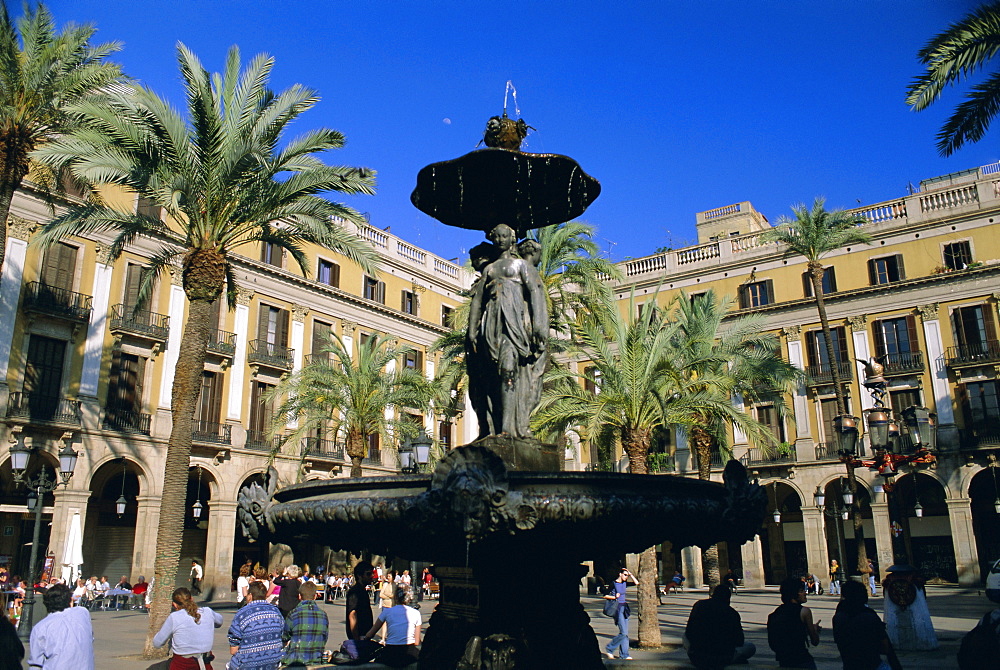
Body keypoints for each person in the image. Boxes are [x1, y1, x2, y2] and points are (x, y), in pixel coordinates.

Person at [465, 223, 549, 438]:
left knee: (508, 370)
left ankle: (508, 428)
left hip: (514, 323)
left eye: (504, 236)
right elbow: (477, 301)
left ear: (512, 239)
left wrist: (539, 325)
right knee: (492, 374)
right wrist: (472, 330)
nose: (500, 240)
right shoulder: (489, 269)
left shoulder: (521, 265)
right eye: (497, 236)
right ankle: (494, 426)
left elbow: (536, 292)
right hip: (492, 323)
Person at [833, 580, 901, 670]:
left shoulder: (838, 618)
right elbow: (885, 647)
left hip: (850, 665)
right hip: (872, 664)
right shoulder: (869, 616)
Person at [684, 584, 756, 669]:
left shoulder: (699, 605)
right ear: (728, 598)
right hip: (722, 656)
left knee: (684, 636)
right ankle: (733, 658)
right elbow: (739, 640)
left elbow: (688, 631)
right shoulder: (732, 613)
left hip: (696, 654)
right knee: (750, 647)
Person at [152, 587, 223, 670]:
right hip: (204, 663)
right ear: (192, 599)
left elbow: (157, 643)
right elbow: (220, 621)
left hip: (182, 664)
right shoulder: (207, 611)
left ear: (174, 604)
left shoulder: (174, 617)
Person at [28, 583, 94, 670]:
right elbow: (91, 638)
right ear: (69, 600)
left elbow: (36, 663)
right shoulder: (83, 613)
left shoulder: (41, 627)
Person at [361, 584, 421, 668]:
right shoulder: (416, 613)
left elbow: (372, 632)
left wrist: (365, 638)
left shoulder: (387, 612)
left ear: (395, 597)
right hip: (409, 652)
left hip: (391, 651)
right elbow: (417, 641)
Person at [228, 581, 284, 670]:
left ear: (250, 596)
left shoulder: (242, 613)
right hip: (273, 663)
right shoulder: (276, 611)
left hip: (248, 665)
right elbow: (282, 635)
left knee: (231, 664)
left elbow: (233, 649)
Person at [767, 577, 821, 669]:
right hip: (802, 659)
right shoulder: (804, 612)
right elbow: (815, 641)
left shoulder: (774, 615)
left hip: (784, 660)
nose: (804, 593)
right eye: (801, 591)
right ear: (793, 594)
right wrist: (814, 630)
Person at [282, 581, 328, 667]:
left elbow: (285, 637)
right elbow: (324, 638)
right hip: (315, 661)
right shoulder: (323, 615)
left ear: (299, 596)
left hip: (295, 661)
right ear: (315, 596)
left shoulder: (293, 614)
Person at [603, 567, 636, 661]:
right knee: (623, 632)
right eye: (625, 575)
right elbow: (605, 595)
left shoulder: (625, 583)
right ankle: (610, 648)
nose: (626, 577)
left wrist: (631, 574)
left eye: (627, 575)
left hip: (625, 608)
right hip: (617, 609)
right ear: (620, 574)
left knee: (625, 634)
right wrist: (614, 597)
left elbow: (637, 583)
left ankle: (624, 655)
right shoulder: (613, 583)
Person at [346, 561, 375, 643]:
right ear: (359, 576)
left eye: (372, 573)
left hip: (364, 635)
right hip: (360, 636)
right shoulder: (355, 592)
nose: (372, 576)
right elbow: (352, 615)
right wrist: (356, 640)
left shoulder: (363, 591)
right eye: (368, 574)